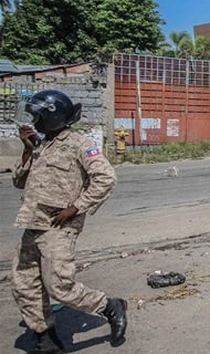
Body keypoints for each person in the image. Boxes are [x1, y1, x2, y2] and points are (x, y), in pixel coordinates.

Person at [11, 90, 127, 354]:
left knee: (59, 287)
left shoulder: (79, 144)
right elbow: (19, 182)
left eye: (38, 116)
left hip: (58, 227)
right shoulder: (40, 146)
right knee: (25, 284)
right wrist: (27, 152)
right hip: (32, 222)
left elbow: (106, 178)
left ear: (53, 116)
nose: (33, 120)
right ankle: (46, 338)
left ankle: (109, 306)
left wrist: (76, 208)